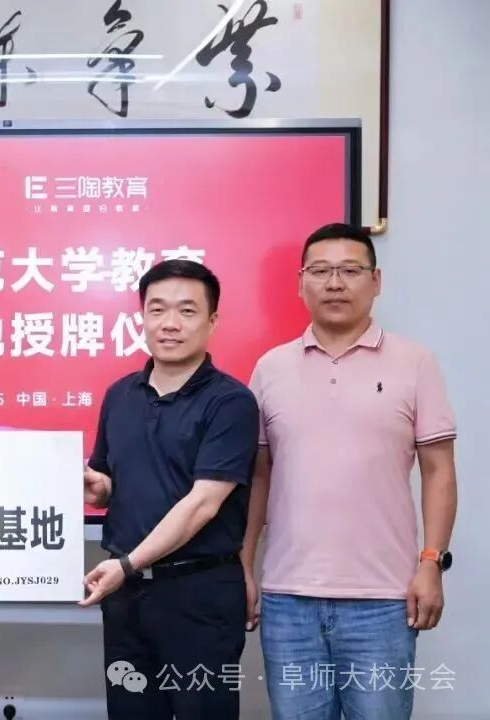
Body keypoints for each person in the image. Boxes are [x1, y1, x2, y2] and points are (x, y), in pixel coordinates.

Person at [243, 223, 458, 720]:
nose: (335, 283)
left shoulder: (415, 363)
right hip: (288, 600)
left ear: (375, 281)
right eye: (320, 271)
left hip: (384, 601)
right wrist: (244, 565)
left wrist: (431, 562)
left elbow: (439, 471)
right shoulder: (271, 368)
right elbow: (258, 476)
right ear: (301, 283)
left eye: (350, 270)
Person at [80, 259, 259, 719]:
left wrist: (128, 564)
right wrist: (97, 487)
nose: (170, 323)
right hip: (127, 600)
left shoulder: (231, 402)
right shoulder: (120, 395)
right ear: (142, 317)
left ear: (212, 321)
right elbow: (111, 485)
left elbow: (203, 504)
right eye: (157, 309)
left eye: (187, 310)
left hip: (199, 597)